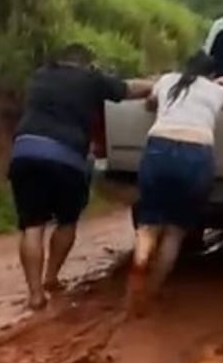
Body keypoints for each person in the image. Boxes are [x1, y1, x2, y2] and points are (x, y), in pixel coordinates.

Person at [9, 43, 153, 310]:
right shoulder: (92, 79)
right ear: (87, 63)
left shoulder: (41, 74)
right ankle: (51, 277)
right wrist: (159, 84)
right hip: (66, 156)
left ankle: (35, 294)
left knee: (32, 226)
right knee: (66, 220)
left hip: (24, 150)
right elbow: (130, 89)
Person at [128, 50, 223, 309]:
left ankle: (140, 261)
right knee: (175, 230)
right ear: (211, 73)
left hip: (158, 148)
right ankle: (152, 291)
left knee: (149, 223)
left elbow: (149, 105)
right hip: (195, 154)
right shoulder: (216, 90)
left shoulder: (167, 80)